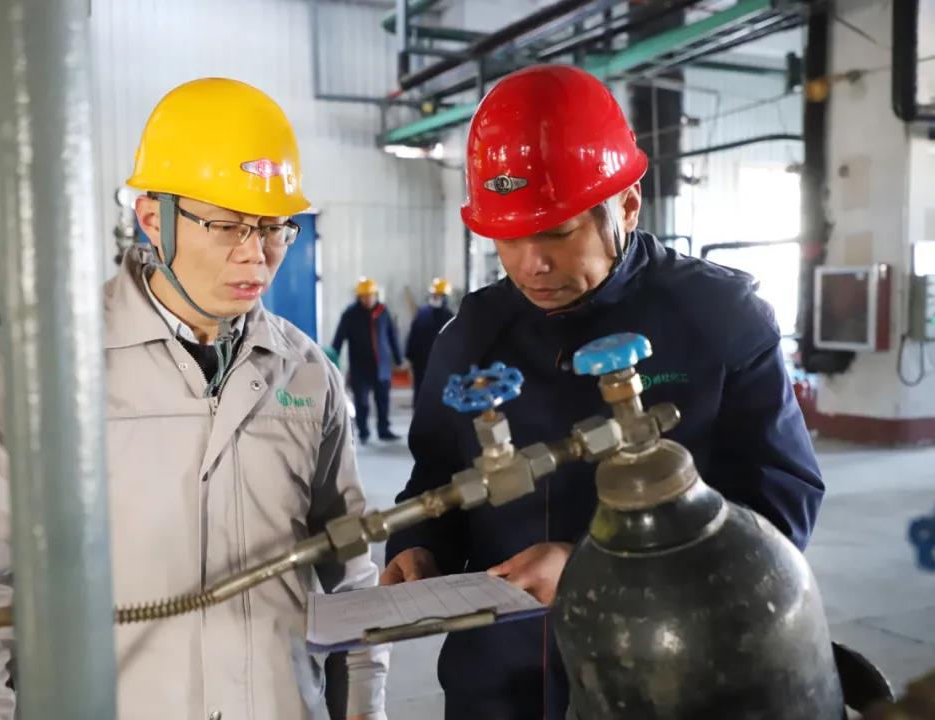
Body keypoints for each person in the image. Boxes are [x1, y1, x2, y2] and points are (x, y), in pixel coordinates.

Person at [0, 78, 388, 720]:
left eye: (273, 229)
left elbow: (349, 575)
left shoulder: (306, 373)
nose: (256, 257)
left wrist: (364, 707)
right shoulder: (47, 366)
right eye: (227, 226)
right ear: (154, 219)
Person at [381, 65, 824, 720]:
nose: (531, 263)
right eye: (508, 236)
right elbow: (436, 479)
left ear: (627, 204)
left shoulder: (719, 319)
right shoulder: (471, 337)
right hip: (502, 683)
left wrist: (601, 572)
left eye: (558, 232)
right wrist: (418, 548)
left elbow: (778, 514)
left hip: (673, 673)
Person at [332, 278, 402, 443]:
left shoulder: (383, 311)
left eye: (370, 295)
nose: (368, 299)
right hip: (360, 367)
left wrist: (398, 358)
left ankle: (384, 430)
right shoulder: (350, 314)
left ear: (375, 295)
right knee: (361, 402)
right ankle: (363, 431)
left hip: (381, 366)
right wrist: (333, 358)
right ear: (359, 297)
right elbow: (339, 338)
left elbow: (392, 336)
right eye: (364, 296)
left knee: (383, 400)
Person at [405, 277, 454, 404]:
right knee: (421, 395)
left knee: (439, 396)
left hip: (442, 365)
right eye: (434, 295)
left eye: (439, 295)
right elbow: (413, 336)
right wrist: (410, 358)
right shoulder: (422, 314)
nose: (436, 297)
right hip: (421, 363)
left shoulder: (450, 317)